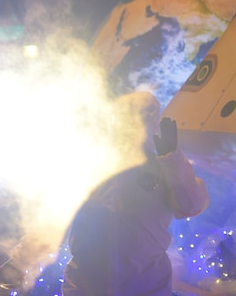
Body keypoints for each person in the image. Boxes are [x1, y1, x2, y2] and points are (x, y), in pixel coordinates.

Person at [62, 91, 209, 296]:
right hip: (89, 283)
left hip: (145, 284)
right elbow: (53, 216)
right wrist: (20, 261)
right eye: (141, 114)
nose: (148, 121)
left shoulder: (164, 166)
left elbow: (190, 206)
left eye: (152, 114)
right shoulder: (90, 162)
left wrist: (174, 160)